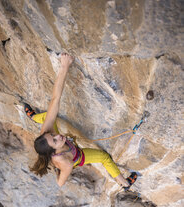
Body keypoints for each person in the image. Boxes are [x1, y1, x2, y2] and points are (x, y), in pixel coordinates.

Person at [24, 53, 137, 188]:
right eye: (55, 140)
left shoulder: (47, 131)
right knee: (104, 157)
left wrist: (64, 66)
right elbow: (60, 183)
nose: (58, 135)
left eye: (52, 135)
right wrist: (57, 169)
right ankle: (124, 183)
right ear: (53, 151)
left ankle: (32, 117)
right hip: (78, 156)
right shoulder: (66, 163)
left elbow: (55, 98)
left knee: (46, 116)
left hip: (61, 150)